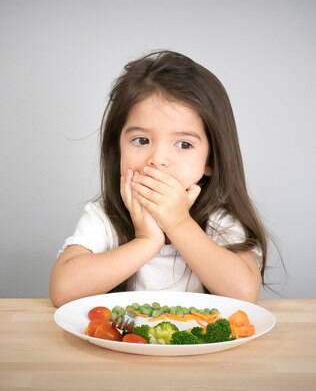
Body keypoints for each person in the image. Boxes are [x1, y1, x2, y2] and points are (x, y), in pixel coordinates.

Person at [49, 50, 267, 307]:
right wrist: (146, 242)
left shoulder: (219, 219)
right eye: (141, 141)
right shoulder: (105, 217)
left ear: (210, 160)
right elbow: (63, 289)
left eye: (184, 144)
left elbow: (244, 293)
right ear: (117, 149)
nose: (158, 159)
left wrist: (178, 223)